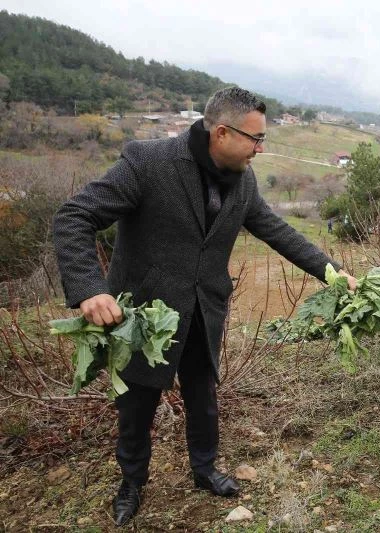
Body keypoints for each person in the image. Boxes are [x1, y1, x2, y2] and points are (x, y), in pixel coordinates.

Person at [53, 86, 356, 527]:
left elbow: (276, 230)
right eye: (255, 138)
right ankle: (132, 482)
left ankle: (205, 469)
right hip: (143, 317)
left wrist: (331, 271)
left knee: (203, 395)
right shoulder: (148, 163)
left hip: (203, 310)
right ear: (220, 133)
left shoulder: (244, 180)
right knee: (137, 406)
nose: (260, 147)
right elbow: (74, 216)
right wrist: (88, 288)